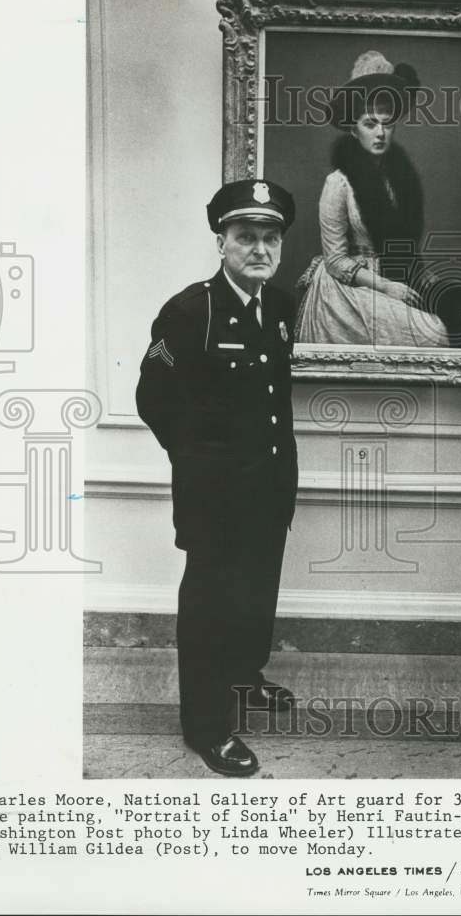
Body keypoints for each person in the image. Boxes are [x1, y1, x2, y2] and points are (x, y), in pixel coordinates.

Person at [136, 179, 299, 777]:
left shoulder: (279, 307)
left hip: (270, 482)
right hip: (216, 495)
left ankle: (242, 681)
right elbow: (154, 397)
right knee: (209, 606)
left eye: (270, 238)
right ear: (222, 242)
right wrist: (201, 465)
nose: (260, 249)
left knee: (257, 592)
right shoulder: (190, 310)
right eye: (246, 236)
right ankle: (207, 724)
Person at [295, 50, 451, 348]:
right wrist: (386, 287)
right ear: (354, 130)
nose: (380, 133)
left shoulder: (398, 180)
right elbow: (336, 261)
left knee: (450, 331)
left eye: (387, 123)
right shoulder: (338, 183)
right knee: (433, 337)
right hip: (352, 287)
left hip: (397, 276)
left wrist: (424, 278)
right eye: (370, 124)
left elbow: (403, 244)